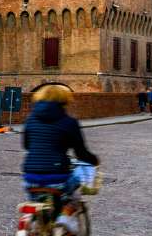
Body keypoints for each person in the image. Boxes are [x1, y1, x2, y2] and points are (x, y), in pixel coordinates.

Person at [21, 83, 99, 234]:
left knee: (37, 204)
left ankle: (39, 224)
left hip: (30, 177)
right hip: (58, 177)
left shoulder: (30, 120)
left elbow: (26, 145)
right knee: (77, 185)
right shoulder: (69, 122)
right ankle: (66, 216)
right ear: (64, 101)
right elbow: (81, 153)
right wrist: (94, 160)